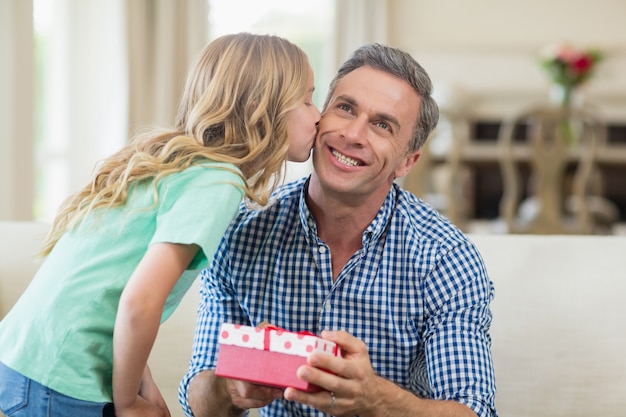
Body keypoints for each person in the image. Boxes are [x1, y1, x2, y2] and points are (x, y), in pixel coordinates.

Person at [0, 32, 320, 417]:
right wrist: (127, 403)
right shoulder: (219, 182)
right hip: (63, 379)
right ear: (259, 107)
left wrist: (143, 386)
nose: (318, 114)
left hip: (29, 361)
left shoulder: (182, 166)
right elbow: (140, 301)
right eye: (306, 99)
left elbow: (111, 289)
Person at [179, 42, 497, 417]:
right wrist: (229, 385)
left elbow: (474, 410)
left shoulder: (445, 259)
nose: (354, 134)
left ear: (407, 161)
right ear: (318, 117)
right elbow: (197, 400)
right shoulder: (239, 232)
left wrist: (376, 398)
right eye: (345, 108)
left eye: (382, 125)